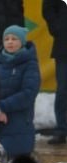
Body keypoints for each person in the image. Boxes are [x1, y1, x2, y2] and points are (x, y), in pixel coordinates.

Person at [0, 25, 40, 158]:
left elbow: (28, 93)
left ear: (22, 42)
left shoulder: (29, 64)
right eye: (6, 39)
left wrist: (2, 107)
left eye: (14, 39)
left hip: (19, 124)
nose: (10, 42)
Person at [42, 0, 67, 144]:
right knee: (63, 90)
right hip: (64, 47)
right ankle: (62, 130)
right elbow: (48, 8)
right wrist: (59, 28)